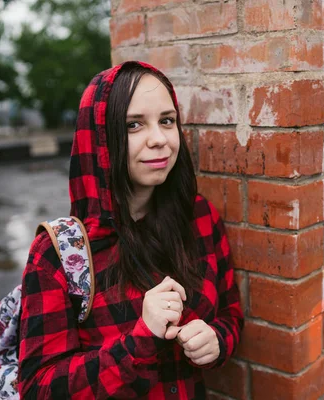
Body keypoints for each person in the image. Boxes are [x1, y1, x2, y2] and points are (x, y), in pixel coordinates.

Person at [17, 61, 244, 399]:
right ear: (101, 138)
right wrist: (140, 338)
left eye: (167, 121)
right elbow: (38, 390)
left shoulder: (200, 217)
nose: (159, 140)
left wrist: (217, 340)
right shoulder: (60, 254)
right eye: (134, 125)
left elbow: (231, 312)